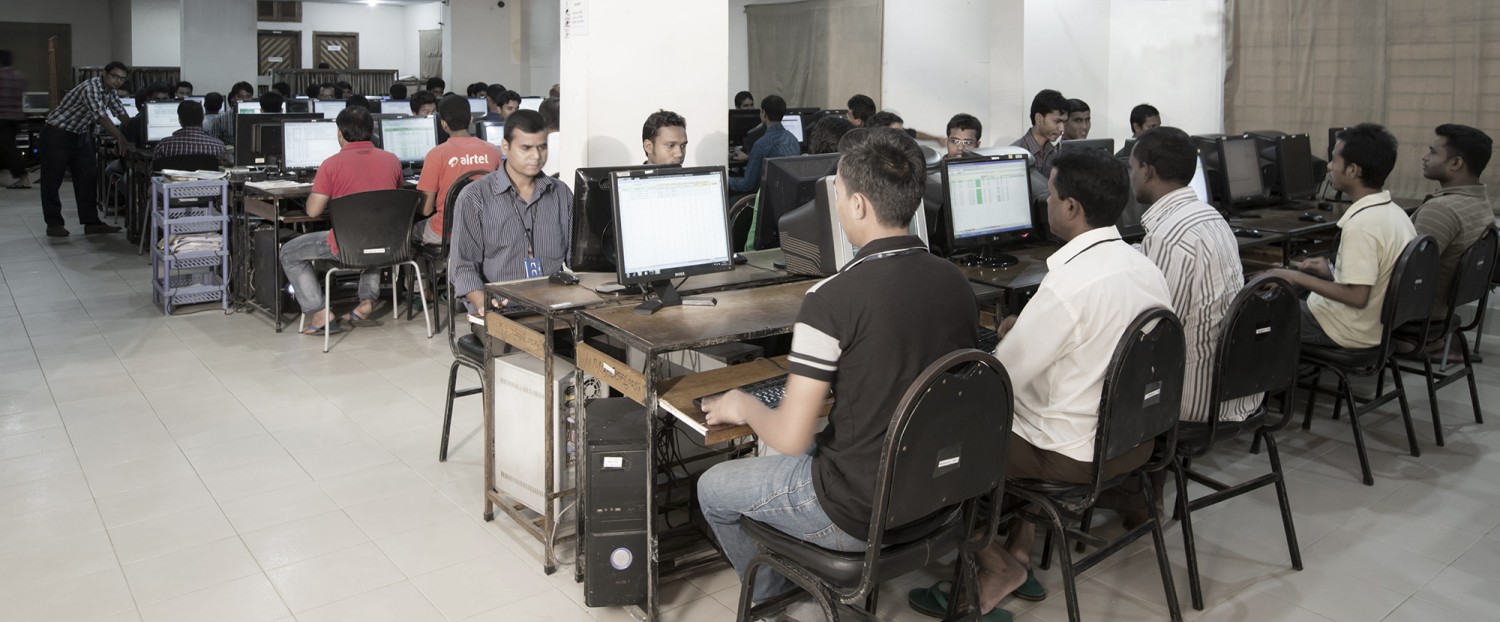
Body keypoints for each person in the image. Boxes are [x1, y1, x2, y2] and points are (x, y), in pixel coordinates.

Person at [699, 127, 979, 605]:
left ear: (859, 205)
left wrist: (742, 404)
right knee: (817, 438)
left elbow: (789, 437)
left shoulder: (831, 299)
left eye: (839, 193)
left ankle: (773, 600)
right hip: (939, 495)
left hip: (856, 512)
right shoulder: (956, 282)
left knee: (713, 488)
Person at [916, 150, 1171, 618]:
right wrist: (1027, 329)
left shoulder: (1069, 286)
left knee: (940, 440)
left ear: (1071, 207)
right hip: (1134, 441)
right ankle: (1020, 546)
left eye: (1049, 195)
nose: (1044, 203)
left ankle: (996, 566)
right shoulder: (1146, 269)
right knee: (1034, 407)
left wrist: (994, 345)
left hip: (1072, 456)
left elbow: (997, 380)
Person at [1265, 123, 1415, 349]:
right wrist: (1333, 272)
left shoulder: (1362, 225)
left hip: (1341, 329)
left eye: (1334, 160)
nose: (1328, 166)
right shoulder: (1395, 213)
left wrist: (1295, 277)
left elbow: (1357, 297)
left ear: (1353, 170)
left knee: (1252, 313)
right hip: (1373, 327)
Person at [279, 106, 403, 334]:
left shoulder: (331, 164)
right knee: (373, 235)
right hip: (386, 243)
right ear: (372, 130)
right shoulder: (392, 160)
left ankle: (320, 313)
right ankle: (367, 302)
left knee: (288, 252)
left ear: (339, 133)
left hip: (346, 247)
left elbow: (313, 211)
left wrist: (317, 189)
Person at [449, 109, 573, 316]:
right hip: (500, 308)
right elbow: (463, 266)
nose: (536, 156)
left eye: (542, 147)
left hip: (554, 307)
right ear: (505, 146)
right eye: (526, 148)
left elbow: (577, 258)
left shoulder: (560, 193)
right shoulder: (475, 197)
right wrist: (483, 302)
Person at [1411, 124, 1494, 323]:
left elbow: (1408, 274)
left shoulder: (1441, 210)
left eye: (1432, 152)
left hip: (1416, 315)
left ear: (1456, 163)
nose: (1425, 157)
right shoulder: (1480, 202)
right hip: (1444, 311)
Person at [38, 61, 132, 237]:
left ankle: (91, 222)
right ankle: (54, 224)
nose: (118, 81)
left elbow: (121, 113)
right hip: (57, 134)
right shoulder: (91, 88)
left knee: (88, 178)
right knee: (52, 181)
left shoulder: (110, 91)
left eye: (122, 78)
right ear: (104, 73)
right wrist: (121, 138)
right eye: (115, 76)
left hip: (79, 135)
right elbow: (101, 117)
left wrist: (135, 131)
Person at [414, 95, 501, 244]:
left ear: (443, 124)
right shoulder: (493, 151)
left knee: (409, 232)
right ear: (470, 119)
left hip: (445, 233)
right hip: (485, 230)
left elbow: (426, 210)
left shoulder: (436, 155)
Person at [729, 95, 799, 194]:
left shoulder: (761, 145)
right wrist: (749, 157)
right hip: (787, 196)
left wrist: (725, 179)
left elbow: (747, 185)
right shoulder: (793, 140)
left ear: (764, 114)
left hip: (764, 199)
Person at [1010, 89, 1067, 178]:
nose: (1062, 128)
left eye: (1064, 122)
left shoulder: (1056, 153)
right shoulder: (1015, 154)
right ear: (1039, 119)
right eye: (1057, 121)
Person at [151, 100, 227, 164]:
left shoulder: (163, 146)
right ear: (202, 118)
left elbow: (153, 173)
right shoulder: (219, 147)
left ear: (180, 120)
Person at [0, 50, 29, 189]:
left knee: (8, 149)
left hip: (2, 118)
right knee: (6, 147)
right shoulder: (19, 76)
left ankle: (23, 178)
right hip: (15, 118)